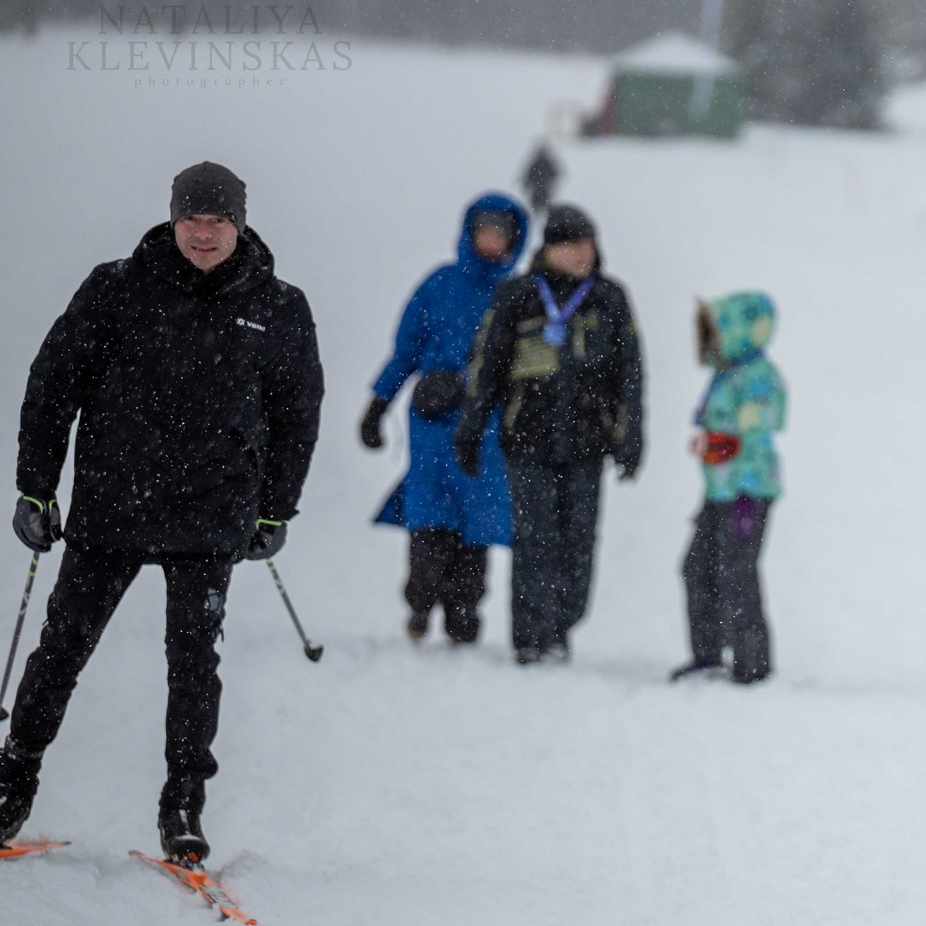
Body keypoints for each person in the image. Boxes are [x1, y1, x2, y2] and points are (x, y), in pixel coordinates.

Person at [0, 162, 324, 863]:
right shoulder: (116, 288)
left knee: (194, 666)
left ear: (239, 224)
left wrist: (276, 509)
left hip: (211, 515)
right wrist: (35, 487)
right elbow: (53, 385)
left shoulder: (278, 306)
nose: (203, 234)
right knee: (62, 649)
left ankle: (182, 804)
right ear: (173, 218)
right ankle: (13, 776)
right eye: (191, 219)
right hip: (113, 504)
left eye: (217, 221)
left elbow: (297, 415)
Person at [455, 204, 644, 664]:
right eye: (572, 245)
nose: (583, 254)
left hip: (588, 442)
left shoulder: (609, 298)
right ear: (550, 249)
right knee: (534, 538)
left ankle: (562, 624)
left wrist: (631, 435)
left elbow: (631, 375)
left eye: (588, 244)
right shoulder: (518, 296)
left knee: (579, 540)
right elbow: (488, 366)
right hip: (528, 439)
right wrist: (471, 428)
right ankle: (531, 636)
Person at [361, 194, 527, 644]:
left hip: (487, 429)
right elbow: (406, 350)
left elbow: (525, 363)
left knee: (476, 528)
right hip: (433, 425)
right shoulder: (440, 284)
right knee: (430, 524)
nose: (491, 240)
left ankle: (465, 610)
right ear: (470, 232)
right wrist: (378, 405)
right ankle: (419, 602)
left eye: (500, 234)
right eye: (484, 230)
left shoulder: (516, 295)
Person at [670, 293, 786, 686]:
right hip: (719, 491)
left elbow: (759, 430)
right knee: (697, 568)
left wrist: (723, 450)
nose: (710, 343)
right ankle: (707, 654)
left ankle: (752, 663)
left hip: (745, 493)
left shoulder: (758, 377)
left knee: (736, 572)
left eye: (717, 333)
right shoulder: (727, 374)